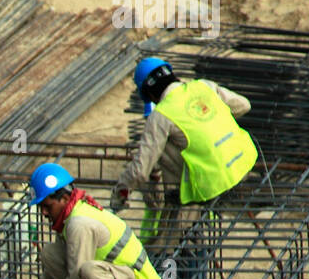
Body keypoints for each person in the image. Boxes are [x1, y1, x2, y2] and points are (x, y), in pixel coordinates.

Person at [110, 57, 256, 235]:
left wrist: (119, 195)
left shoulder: (161, 115)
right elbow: (244, 105)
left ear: (150, 95)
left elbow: (140, 169)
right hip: (243, 163)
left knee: (159, 148)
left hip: (210, 183)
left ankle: (175, 197)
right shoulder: (204, 86)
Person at [25, 163, 160, 279]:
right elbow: (55, 269)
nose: (43, 212)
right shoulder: (69, 216)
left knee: (88, 270)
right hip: (115, 276)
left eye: (47, 206)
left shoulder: (78, 224)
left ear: (64, 199)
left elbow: (75, 277)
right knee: (49, 252)